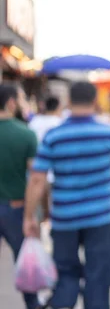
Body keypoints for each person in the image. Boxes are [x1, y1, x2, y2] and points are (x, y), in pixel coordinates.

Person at [23, 82, 110, 309]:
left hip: (64, 219)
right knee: (99, 277)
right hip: (100, 218)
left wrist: (29, 218)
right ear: (95, 101)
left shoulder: (54, 135)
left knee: (65, 275)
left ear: (69, 101)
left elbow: (37, 179)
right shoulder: (107, 131)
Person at [0, 84, 39, 309]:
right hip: (15, 210)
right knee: (25, 264)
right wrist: (31, 215)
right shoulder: (26, 134)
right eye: (23, 98)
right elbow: (35, 178)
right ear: (11, 102)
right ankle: (32, 305)